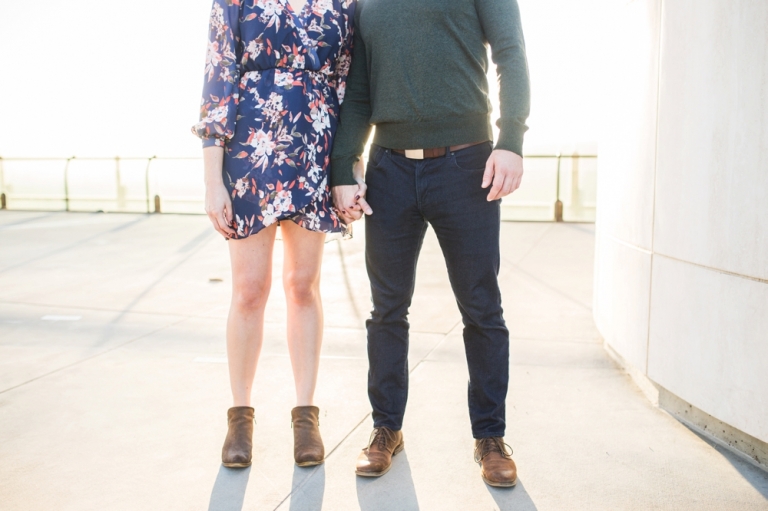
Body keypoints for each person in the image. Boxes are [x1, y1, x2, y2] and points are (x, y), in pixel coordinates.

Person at [330, 0, 530, 487]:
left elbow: (511, 54)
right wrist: (343, 167)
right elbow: (358, 92)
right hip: (389, 169)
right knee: (387, 310)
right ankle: (386, 429)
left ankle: (489, 438)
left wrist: (511, 140)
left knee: (481, 307)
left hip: (467, 166)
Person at [192, 0, 365, 469]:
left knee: (302, 285)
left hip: (317, 153)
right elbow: (218, 79)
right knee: (250, 290)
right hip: (250, 154)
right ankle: (240, 418)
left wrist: (353, 169)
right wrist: (213, 181)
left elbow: (352, 88)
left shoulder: (343, 3)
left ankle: (306, 417)